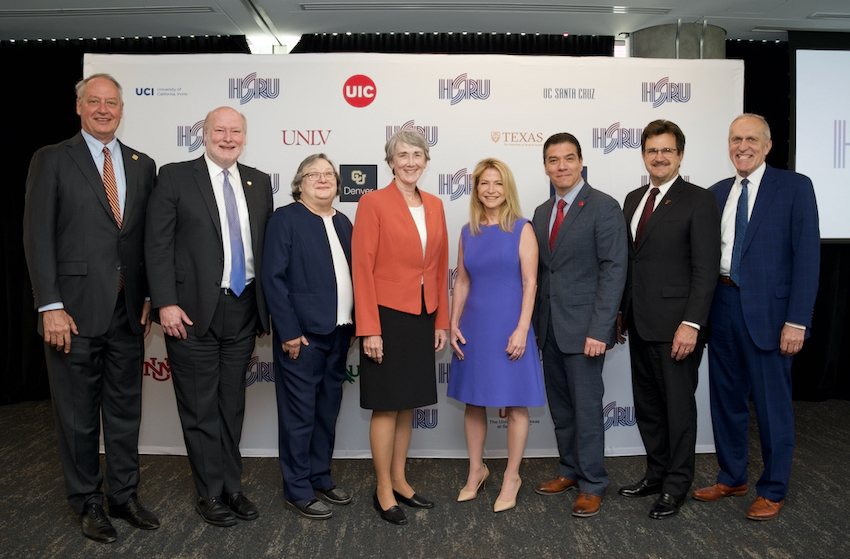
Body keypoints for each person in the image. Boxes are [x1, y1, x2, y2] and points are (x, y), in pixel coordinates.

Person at [22, 73, 160, 543]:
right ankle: (86, 501)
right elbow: (37, 236)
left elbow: (144, 242)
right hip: (72, 313)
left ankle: (123, 495)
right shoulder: (52, 160)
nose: (104, 110)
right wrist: (50, 306)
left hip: (126, 313)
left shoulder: (143, 165)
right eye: (95, 102)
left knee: (125, 411)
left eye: (113, 103)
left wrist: (144, 297)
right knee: (78, 415)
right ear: (79, 107)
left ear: (123, 109)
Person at [145, 106, 272, 527]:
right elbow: (157, 244)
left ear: (245, 136)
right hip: (191, 311)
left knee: (231, 404)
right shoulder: (176, 176)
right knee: (200, 408)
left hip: (242, 307)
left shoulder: (258, 182)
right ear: (204, 133)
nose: (228, 137)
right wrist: (164, 301)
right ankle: (209, 493)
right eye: (220, 129)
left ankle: (232, 487)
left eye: (236, 131)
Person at [692, 114, 820, 521]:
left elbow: (808, 258)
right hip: (723, 306)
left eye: (750, 139)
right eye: (735, 139)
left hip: (772, 314)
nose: (741, 146)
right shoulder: (715, 193)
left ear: (767, 145)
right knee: (726, 400)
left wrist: (797, 320)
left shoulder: (795, 188)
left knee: (771, 406)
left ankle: (774, 487)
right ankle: (732, 477)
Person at [616, 120, 721, 519]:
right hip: (640, 324)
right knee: (648, 408)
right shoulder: (632, 199)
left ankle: (676, 486)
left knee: (678, 410)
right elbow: (631, 263)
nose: (659, 157)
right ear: (643, 154)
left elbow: (704, 269)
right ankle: (656, 474)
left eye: (667, 150)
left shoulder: (698, 200)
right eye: (652, 150)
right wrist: (622, 314)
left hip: (678, 327)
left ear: (679, 155)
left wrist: (691, 324)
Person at [352, 130, 449, 525]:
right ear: (390, 162)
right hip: (386, 316)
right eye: (402, 155)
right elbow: (362, 268)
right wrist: (370, 329)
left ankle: (400, 479)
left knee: (408, 402)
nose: (410, 161)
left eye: (417, 155)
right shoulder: (372, 203)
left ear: (426, 161)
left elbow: (441, 268)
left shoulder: (436, 205)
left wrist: (440, 320)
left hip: (423, 315)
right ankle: (382, 488)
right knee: (386, 404)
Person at [532, 132, 627, 518]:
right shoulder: (541, 212)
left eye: (569, 158)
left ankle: (593, 483)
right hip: (549, 328)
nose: (562, 166)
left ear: (581, 161)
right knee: (562, 408)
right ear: (545, 166)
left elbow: (614, 270)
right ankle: (569, 471)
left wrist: (599, 330)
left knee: (587, 410)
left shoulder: (603, 207)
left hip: (585, 329)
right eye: (554, 160)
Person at [448, 158, 545, 513]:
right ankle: (477, 471)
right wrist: (453, 322)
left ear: (507, 189)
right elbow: (462, 281)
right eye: (484, 183)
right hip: (473, 326)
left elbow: (530, 282)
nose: (491, 190)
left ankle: (512, 476)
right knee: (474, 401)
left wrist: (522, 328)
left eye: (498, 183)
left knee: (516, 404)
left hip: (510, 325)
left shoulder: (522, 228)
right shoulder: (466, 231)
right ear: (476, 189)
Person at [262, 154, 354, 520]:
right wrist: (289, 332)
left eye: (329, 174)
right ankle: (297, 488)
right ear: (299, 183)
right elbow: (273, 278)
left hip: (340, 333)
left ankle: (320, 476)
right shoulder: (286, 219)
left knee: (326, 413)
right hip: (302, 338)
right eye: (313, 174)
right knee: (299, 415)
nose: (322, 179)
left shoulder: (344, 221)